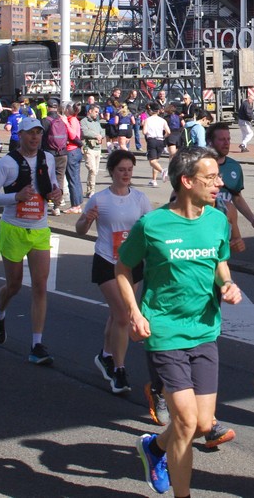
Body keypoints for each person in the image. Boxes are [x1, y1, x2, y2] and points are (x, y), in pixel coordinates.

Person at [116, 147, 243, 496]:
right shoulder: (152, 225)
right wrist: (134, 312)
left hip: (205, 330)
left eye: (218, 177)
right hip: (165, 330)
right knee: (186, 421)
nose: (219, 184)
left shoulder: (217, 220)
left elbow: (219, 261)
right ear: (186, 181)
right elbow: (122, 268)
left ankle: (155, 447)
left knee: (202, 424)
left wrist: (227, 284)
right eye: (210, 178)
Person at [0, 116, 64, 365]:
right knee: (14, 285)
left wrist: (57, 193)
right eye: (30, 133)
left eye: (38, 133)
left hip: (39, 229)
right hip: (14, 229)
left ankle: (36, 344)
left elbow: (51, 185)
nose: (35, 137)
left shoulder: (47, 158)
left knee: (40, 286)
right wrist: (15, 197)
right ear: (20, 135)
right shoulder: (8, 163)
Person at [75, 149, 151, 396]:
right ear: (111, 171)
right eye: (121, 170)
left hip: (132, 263)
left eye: (129, 170)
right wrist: (87, 220)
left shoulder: (140, 199)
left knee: (116, 314)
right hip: (107, 261)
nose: (126, 174)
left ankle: (105, 355)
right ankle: (119, 370)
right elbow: (79, 230)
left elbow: (151, 229)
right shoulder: (99, 199)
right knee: (123, 315)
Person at [209, 122, 254, 257]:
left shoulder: (234, 166)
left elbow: (237, 197)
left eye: (228, 139)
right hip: (203, 225)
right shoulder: (199, 165)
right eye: (221, 139)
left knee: (222, 262)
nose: (226, 143)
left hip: (224, 227)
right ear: (210, 142)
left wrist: (252, 219)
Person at [143, 103, 169, 186]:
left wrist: (148, 132)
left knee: (152, 161)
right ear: (158, 111)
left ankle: (162, 171)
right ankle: (154, 180)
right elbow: (168, 132)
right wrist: (163, 136)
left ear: (151, 110)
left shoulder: (148, 120)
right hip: (160, 140)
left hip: (152, 140)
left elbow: (144, 131)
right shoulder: (163, 120)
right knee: (156, 160)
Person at [81, 104, 105, 192]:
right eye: (95, 112)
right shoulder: (84, 121)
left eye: (98, 112)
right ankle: (92, 190)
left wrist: (100, 135)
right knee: (92, 169)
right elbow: (85, 132)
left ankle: (89, 189)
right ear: (90, 111)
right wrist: (96, 135)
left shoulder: (97, 122)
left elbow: (102, 131)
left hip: (97, 149)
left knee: (95, 171)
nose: (97, 114)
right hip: (89, 148)